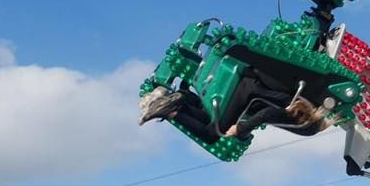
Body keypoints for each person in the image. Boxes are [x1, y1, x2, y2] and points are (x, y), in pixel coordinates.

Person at [138, 69, 337, 143]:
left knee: (208, 116)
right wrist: (241, 128)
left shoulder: (300, 100)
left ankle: (181, 99)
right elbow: (267, 113)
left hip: (246, 85)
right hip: (244, 92)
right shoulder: (298, 119)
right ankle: (172, 110)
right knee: (212, 134)